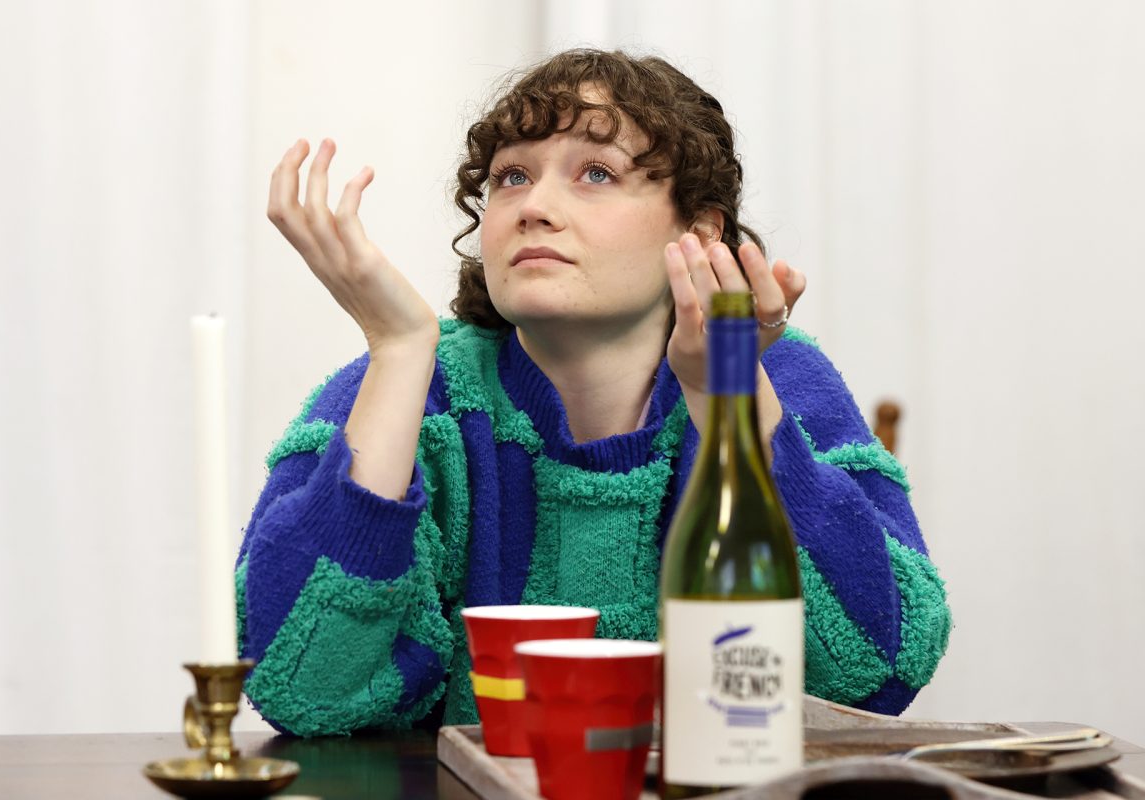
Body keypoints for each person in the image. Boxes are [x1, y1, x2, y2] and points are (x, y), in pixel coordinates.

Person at [236, 49, 951, 736]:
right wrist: (396, 350)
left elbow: (878, 667)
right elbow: (298, 685)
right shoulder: (406, 388)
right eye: (512, 176)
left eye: (597, 173)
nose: (534, 206)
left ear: (700, 231)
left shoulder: (778, 376)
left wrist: (725, 399)